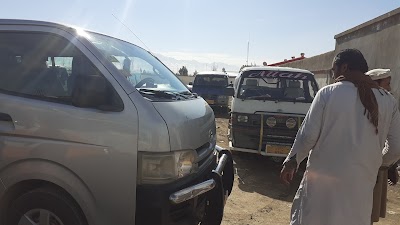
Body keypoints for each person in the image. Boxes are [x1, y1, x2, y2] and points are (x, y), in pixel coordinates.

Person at [280, 49, 400, 225]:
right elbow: (396, 146)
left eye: (333, 69)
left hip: (320, 185)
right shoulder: (388, 101)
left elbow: (308, 136)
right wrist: (376, 163)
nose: (333, 74)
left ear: (344, 67)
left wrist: (292, 160)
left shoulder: (328, 93)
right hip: (361, 188)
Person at [366, 68, 399, 186]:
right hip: (372, 171)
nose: (389, 89)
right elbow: (396, 146)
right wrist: (382, 164)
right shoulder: (390, 102)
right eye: (387, 84)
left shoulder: (347, 97)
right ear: (375, 83)